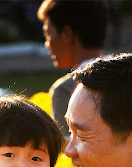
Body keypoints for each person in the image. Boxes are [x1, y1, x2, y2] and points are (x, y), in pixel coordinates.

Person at [37, 0, 108, 137]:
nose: (47, 45)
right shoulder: (131, 74)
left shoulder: (66, 90)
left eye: (47, 34)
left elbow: (67, 154)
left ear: (66, 34)